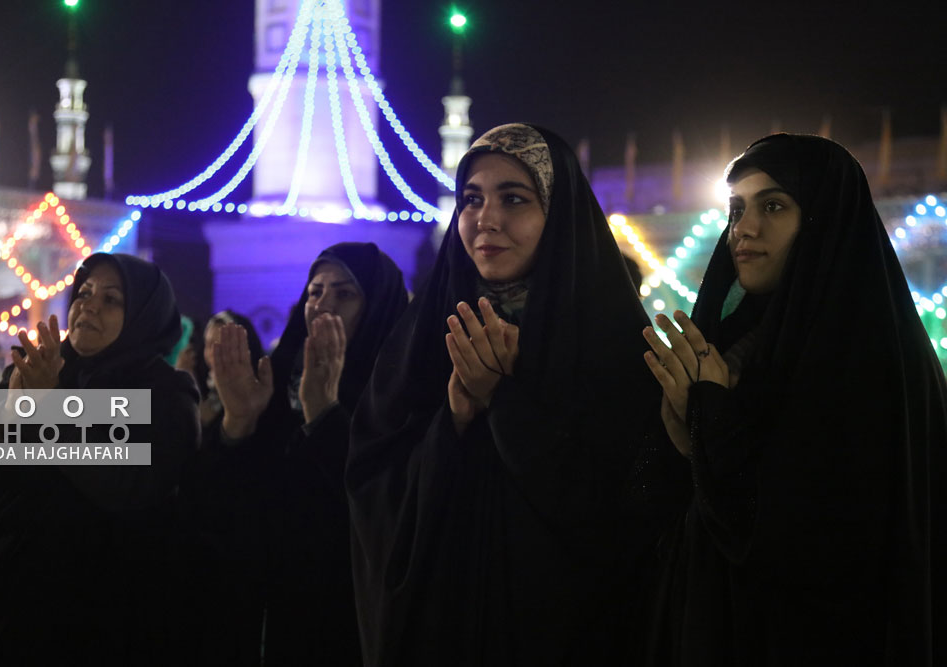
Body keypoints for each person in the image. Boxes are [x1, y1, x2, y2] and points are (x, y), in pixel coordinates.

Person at [346, 123, 664, 666]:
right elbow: (372, 488)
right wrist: (455, 418)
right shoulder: (426, 336)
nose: (484, 220)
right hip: (443, 630)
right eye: (471, 199)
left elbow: (631, 513)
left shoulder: (609, 344)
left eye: (514, 199)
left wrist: (507, 403)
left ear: (558, 216)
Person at [642, 134, 947, 665]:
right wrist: (684, 435)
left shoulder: (869, 358)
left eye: (774, 206)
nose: (745, 229)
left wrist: (712, 424)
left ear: (824, 220)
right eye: (737, 210)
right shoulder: (738, 342)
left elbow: (816, 547)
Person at [0, 253, 200, 666]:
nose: (90, 306)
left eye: (112, 299)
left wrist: (48, 410)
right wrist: (9, 415)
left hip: (97, 623)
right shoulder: (34, 371)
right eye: (84, 292)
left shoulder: (166, 395)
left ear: (143, 315)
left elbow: (129, 485)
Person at [185, 242, 408, 666]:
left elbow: (386, 505)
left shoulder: (399, 395)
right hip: (258, 613)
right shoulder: (273, 382)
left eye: (345, 293)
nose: (323, 305)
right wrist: (238, 423)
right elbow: (214, 500)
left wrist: (324, 412)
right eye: (315, 291)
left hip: (343, 619)